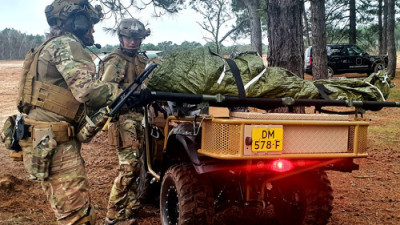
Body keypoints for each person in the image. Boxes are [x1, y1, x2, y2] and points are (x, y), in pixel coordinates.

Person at [17, 0, 123, 224]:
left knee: (67, 212)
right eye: (90, 23)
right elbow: (87, 92)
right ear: (77, 23)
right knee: (76, 218)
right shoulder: (67, 45)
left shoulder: (47, 46)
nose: (93, 29)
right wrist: (120, 92)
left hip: (42, 139)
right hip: (56, 144)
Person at [97, 18, 150, 225]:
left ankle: (130, 208)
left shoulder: (140, 59)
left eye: (137, 39)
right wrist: (130, 96)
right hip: (123, 118)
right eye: (129, 38)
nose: (133, 42)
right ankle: (113, 214)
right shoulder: (114, 60)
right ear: (121, 38)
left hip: (139, 118)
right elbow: (104, 90)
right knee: (128, 169)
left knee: (137, 166)